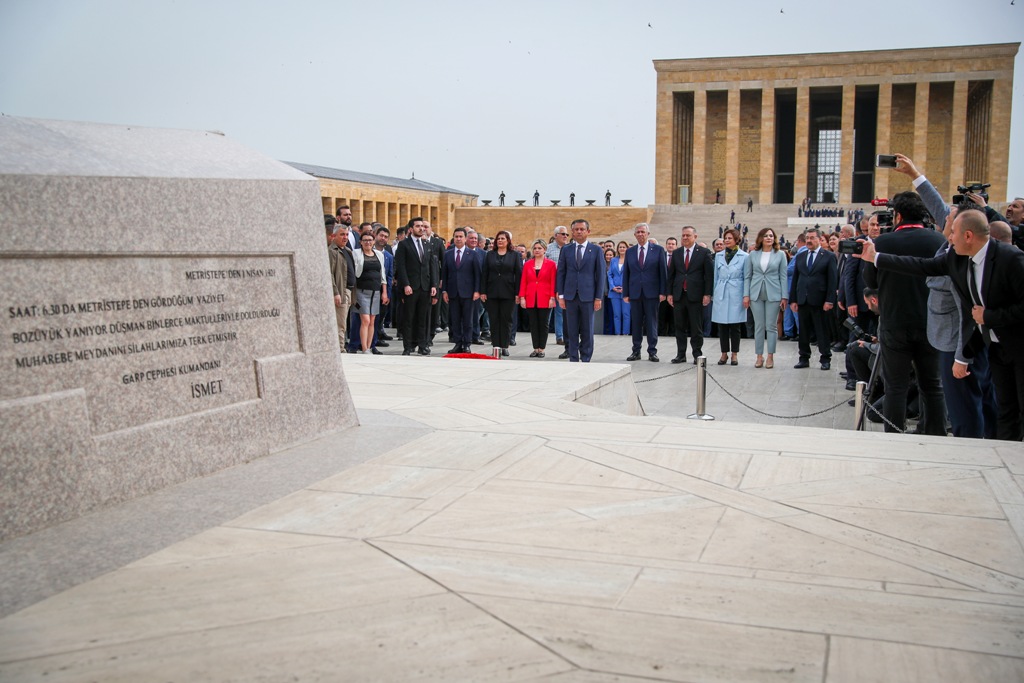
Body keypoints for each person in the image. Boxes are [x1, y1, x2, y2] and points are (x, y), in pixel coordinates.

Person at [862, 208, 1024, 439]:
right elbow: (921, 265)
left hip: (1018, 344)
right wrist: (875, 258)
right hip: (995, 347)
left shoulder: (1011, 258)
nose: (948, 237)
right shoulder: (957, 258)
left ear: (968, 236)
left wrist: (990, 317)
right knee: (1006, 410)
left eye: (954, 232)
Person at [860, 191, 947, 435]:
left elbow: (870, 280)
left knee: (895, 386)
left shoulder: (883, 243)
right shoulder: (937, 241)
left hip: (894, 320)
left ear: (897, 216)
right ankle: (935, 433)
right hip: (929, 321)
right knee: (932, 385)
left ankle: (894, 435)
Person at [556, 219, 605, 362]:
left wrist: (598, 297)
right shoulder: (566, 249)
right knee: (571, 330)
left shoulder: (596, 250)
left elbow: (600, 275)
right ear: (572, 232)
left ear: (588, 232)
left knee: (587, 330)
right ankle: (573, 357)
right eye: (576, 229)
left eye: (582, 229)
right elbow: (561, 273)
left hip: (588, 297)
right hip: (570, 296)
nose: (579, 231)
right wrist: (561, 295)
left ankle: (586, 357)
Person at [790, 228, 838, 371]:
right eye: (807, 238)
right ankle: (803, 358)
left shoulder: (828, 256)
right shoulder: (800, 256)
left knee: (822, 330)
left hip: (820, 301)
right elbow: (796, 279)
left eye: (812, 238)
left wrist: (830, 300)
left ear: (819, 239)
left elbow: (832, 280)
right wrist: (793, 299)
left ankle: (825, 358)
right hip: (803, 300)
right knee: (803, 331)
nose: (809, 241)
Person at [667, 226, 713, 364]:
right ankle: (681, 354)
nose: (685, 238)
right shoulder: (676, 253)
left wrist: (707, 294)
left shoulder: (704, 252)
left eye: (688, 235)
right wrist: (669, 293)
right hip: (679, 295)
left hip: (696, 295)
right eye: (683, 236)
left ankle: (697, 354)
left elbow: (709, 276)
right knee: (679, 326)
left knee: (696, 327)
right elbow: (671, 275)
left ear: (695, 237)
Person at [743, 228, 787, 369]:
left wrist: (784, 296)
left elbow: (783, 276)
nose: (769, 238)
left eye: (771, 235)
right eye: (766, 235)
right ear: (760, 238)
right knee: (759, 326)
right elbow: (747, 276)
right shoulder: (753, 254)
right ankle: (759, 356)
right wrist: (746, 295)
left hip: (774, 292)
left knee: (771, 326)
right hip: (756, 292)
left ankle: (770, 356)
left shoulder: (780, 254)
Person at [394, 217, 438, 356]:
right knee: (409, 318)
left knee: (423, 318)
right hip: (410, 288)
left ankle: (422, 345)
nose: (421, 228)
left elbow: (432, 267)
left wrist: (434, 285)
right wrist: (405, 284)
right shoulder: (404, 245)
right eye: (418, 226)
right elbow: (401, 267)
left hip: (425, 287)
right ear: (411, 229)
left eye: (422, 226)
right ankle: (408, 346)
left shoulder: (427, 244)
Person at [622, 222, 666, 362]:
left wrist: (663, 292)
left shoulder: (658, 250)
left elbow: (663, 272)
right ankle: (636, 351)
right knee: (636, 323)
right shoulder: (630, 251)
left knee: (652, 323)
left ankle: (652, 351)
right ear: (635, 235)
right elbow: (626, 274)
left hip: (652, 293)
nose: (640, 234)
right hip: (635, 293)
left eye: (643, 232)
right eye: (638, 232)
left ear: (648, 234)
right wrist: (626, 293)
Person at [480, 230, 522, 357]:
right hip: (492, 291)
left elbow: (518, 274)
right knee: (494, 319)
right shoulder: (490, 255)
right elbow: (485, 273)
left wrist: (517, 293)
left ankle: (505, 345)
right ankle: (496, 345)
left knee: (506, 319)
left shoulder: (514, 255)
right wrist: (483, 291)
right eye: (498, 238)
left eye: (503, 238)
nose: (500, 240)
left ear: (508, 241)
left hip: (508, 292)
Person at [440, 227, 480, 354]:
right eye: (456, 236)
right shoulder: (448, 254)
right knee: (455, 319)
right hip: (452, 292)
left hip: (468, 293)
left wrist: (477, 291)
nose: (458, 239)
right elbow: (444, 274)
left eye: (461, 236)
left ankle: (467, 343)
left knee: (468, 320)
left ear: (465, 238)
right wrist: (444, 291)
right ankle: (458, 343)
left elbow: (477, 274)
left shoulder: (473, 254)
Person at [712, 228, 748, 365]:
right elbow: (716, 276)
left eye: (729, 238)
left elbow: (746, 277)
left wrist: (746, 295)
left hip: (736, 291)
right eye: (725, 238)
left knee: (735, 325)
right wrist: (714, 293)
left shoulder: (744, 256)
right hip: (721, 290)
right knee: (722, 326)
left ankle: (734, 354)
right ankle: (723, 353)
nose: (726, 240)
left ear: (736, 240)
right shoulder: (719, 256)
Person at [518, 239, 557, 358]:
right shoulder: (528, 264)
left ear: (545, 250)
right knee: (533, 324)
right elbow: (523, 281)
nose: (537, 250)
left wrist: (552, 297)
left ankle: (542, 349)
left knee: (544, 324)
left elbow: (553, 282)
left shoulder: (551, 264)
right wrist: (522, 297)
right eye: (535, 248)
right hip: (530, 297)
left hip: (545, 297)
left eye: (539, 248)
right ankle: (535, 348)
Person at [352, 231, 389, 354]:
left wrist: (384, 292)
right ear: (361, 242)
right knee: (365, 320)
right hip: (361, 290)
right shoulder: (356, 253)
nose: (368, 242)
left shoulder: (379, 254)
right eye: (365, 240)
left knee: (372, 320)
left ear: (373, 242)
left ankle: (369, 346)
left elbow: (382, 274)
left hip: (376, 291)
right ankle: (364, 347)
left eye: (370, 240)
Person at [546, 226, 569, 347]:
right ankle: (543, 336)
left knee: (561, 311)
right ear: (556, 236)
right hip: (549, 284)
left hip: (563, 284)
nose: (565, 236)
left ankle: (560, 336)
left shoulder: (570, 248)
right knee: (547, 312)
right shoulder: (548, 249)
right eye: (563, 234)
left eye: (567, 234)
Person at [606, 241, 630, 335]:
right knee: (616, 315)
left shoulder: (630, 260)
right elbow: (610, 274)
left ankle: (625, 333)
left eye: (624, 247)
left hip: (626, 292)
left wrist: (626, 287)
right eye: (620, 247)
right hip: (614, 291)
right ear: (618, 249)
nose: (622, 249)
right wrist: (613, 287)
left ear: (627, 248)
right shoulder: (613, 260)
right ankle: (617, 333)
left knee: (626, 314)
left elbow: (632, 275)